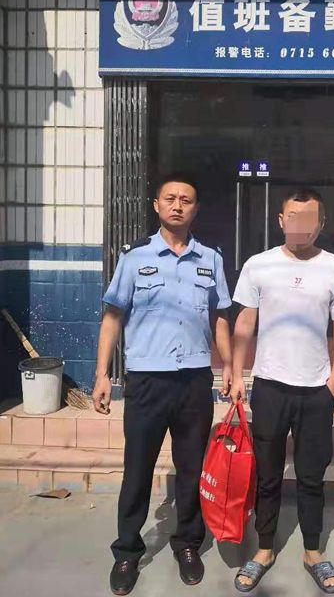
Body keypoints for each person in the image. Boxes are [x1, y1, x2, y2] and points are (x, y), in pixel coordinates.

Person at [92, 173, 233, 596]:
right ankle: (127, 552)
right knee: (137, 469)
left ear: (195, 208)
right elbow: (113, 317)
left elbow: (220, 317)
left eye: (186, 199)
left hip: (193, 381)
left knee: (191, 468)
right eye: (170, 198)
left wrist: (229, 365)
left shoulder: (211, 259)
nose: (177, 205)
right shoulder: (135, 258)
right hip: (147, 381)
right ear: (156, 205)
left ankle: (187, 544)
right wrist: (102, 374)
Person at [230, 188, 334, 594]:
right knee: (267, 474)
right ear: (281, 220)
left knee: (311, 476)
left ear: (321, 224)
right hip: (269, 386)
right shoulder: (259, 265)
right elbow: (244, 323)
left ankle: (313, 552)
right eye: (293, 217)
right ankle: (264, 548)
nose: (300, 225)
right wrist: (236, 374)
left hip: (315, 391)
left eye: (309, 218)